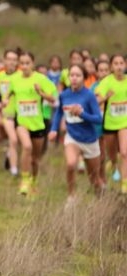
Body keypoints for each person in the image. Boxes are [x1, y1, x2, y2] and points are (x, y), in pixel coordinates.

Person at [4, 51, 58, 198]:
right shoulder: (15, 79)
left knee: (35, 159)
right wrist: (6, 99)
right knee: (26, 147)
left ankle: (33, 182)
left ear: (32, 64)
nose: (24, 66)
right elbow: (9, 93)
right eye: (22, 63)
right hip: (22, 122)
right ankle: (24, 180)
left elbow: (53, 99)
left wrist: (41, 93)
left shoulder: (41, 79)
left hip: (38, 124)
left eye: (27, 63)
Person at [48, 63, 104, 205]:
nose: (74, 78)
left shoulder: (89, 96)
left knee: (94, 179)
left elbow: (98, 119)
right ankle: (71, 198)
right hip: (72, 137)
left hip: (90, 140)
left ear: (84, 78)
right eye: (72, 75)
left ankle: (101, 199)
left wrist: (82, 114)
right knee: (71, 164)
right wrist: (54, 129)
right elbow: (59, 112)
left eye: (78, 75)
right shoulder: (64, 95)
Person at [96, 54, 127, 193]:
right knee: (112, 154)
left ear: (125, 65)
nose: (119, 66)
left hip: (124, 122)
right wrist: (105, 97)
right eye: (116, 63)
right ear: (111, 67)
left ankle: (124, 183)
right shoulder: (106, 82)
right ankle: (114, 165)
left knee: (125, 152)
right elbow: (96, 101)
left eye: (121, 63)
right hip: (109, 124)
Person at [0, 48, 21, 176]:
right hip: (6, 113)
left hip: (21, 114)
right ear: (4, 60)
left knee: (17, 140)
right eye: (9, 59)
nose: (11, 62)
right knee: (13, 139)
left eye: (14, 60)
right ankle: (14, 170)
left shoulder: (21, 75)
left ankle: (9, 154)